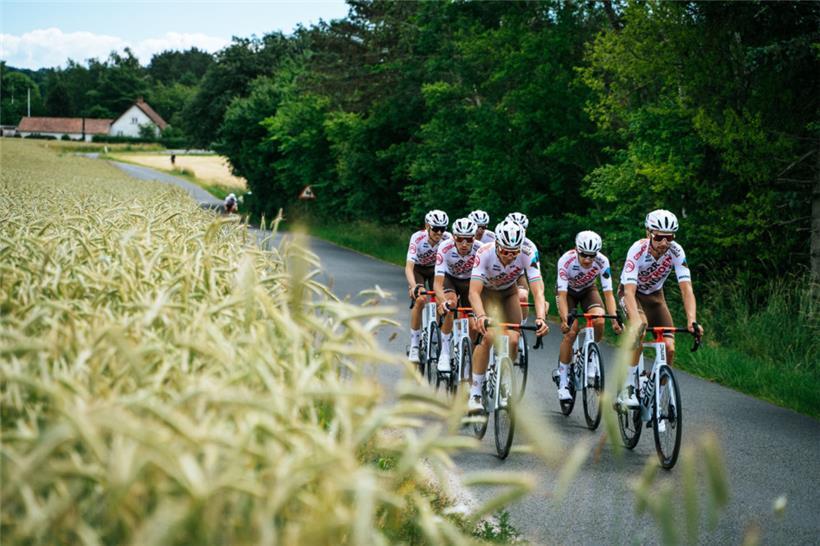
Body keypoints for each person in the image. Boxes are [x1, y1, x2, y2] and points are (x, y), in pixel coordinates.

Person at [617, 209, 704, 408]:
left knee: (670, 348)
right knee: (640, 328)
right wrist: (636, 320)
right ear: (649, 233)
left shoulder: (676, 251)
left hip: (656, 297)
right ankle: (628, 387)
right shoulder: (637, 250)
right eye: (659, 237)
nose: (664, 242)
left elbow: (686, 288)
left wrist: (692, 319)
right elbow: (629, 292)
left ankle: (658, 393)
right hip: (633, 295)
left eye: (670, 237)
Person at [468, 220, 549, 413]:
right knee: (486, 337)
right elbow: (473, 292)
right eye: (505, 251)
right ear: (497, 245)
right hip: (486, 292)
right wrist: (480, 316)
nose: (509, 257)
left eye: (514, 252)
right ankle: (475, 392)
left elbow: (538, 291)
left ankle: (504, 380)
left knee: (514, 339)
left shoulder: (528, 253)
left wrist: (540, 318)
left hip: (508, 293)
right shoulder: (484, 252)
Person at [554, 230, 622, 401]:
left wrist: (614, 319)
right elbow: (561, 295)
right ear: (577, 250)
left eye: (592, 256)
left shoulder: (602, 261)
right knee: (571, 331)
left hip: (588, 290)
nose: (588, 260)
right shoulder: (565, 260)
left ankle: (591, 357)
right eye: (584, 255)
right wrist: (564, 320)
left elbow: (608, 294)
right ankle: (563, 381)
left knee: (599, 319)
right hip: (567, 292)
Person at [433, 218, 483, 372]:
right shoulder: (445, 247)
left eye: (468, 239)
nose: (464, 244)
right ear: (453, 236)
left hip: (471, 282)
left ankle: (470, 359)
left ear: (474, 237)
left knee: (474, 325)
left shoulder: (481, 249)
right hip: (450, 279)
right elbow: (437, 283)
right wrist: (443, 302)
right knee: (451, 304)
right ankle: (445, 353)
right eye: (460, 238)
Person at [405, 210, 451, 363]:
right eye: (435, 229)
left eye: (442, 229)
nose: (439, 233)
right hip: (418, 269)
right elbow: (409, 267)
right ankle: (414, 345)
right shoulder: (417, 238)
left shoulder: (448, 239)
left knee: (439, 300)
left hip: (435, 271)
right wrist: (413, 286)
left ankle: (434, 332)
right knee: (421, 299)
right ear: (427, 226)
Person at [505, 212, 540, 320]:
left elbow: (535, 274)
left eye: (522, 228)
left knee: (523, 296)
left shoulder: (530, 246)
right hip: (499, 277)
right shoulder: (499, 240)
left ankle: (521, 326)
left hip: (518, 275)